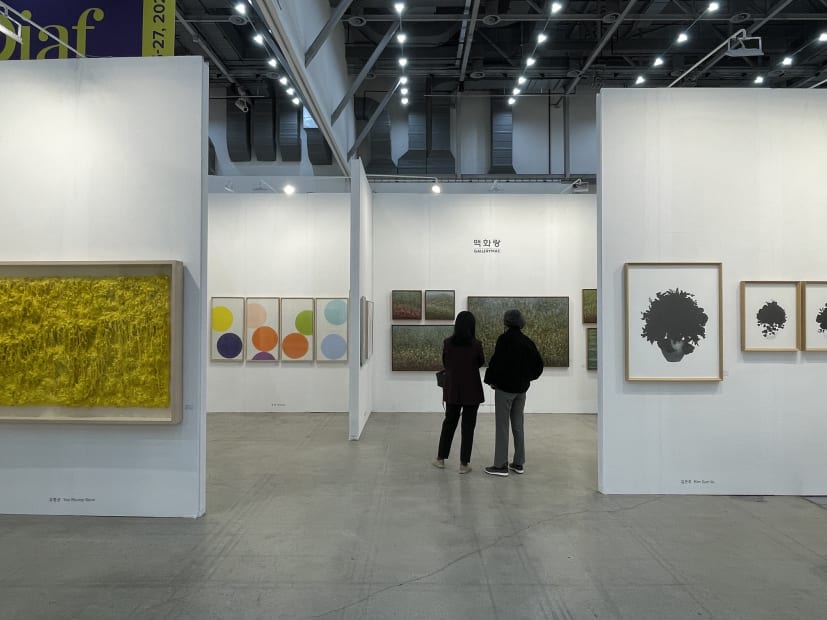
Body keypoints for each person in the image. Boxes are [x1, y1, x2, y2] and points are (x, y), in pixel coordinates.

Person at [483, 309, 544, 477]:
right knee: (518, 425)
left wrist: (491, 381)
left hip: (504, 390)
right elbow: (538, 365)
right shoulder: (527, 341)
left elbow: (496, 363)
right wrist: (527, 378)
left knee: (502, 426)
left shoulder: (504, 340)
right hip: (521, 390)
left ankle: (500, 465)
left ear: (506, 322)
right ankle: (518, 462)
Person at [432, 311, 485, 474]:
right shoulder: (476, 344)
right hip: (472, 391)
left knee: (449, 423)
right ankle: (463, 465)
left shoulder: (448, 343)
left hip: (453, 390)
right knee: (468, 427)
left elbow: (445, 363)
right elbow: (480, 362)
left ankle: (440, 459)